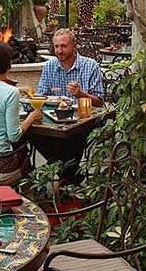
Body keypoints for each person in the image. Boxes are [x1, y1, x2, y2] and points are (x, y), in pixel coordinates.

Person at [36, 29, 105, 184]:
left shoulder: (90, 65)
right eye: (56, 46)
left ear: (74, 46)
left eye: (64, 46)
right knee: (31, 134)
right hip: (55, 119)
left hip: (83, 121)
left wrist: (80, 93)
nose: (59, 51)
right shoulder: (50, 66)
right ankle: (68, 176)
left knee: (72, 139)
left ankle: (64, 178)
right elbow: (41, 95)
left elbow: (100, 101)